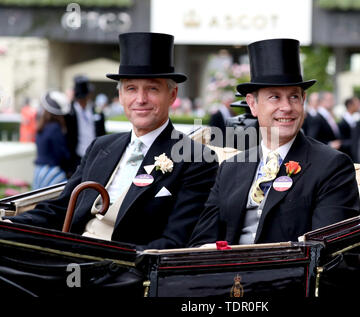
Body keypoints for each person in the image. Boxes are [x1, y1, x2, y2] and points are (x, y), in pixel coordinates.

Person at [4, 32, 218, 251]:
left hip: (124, 272)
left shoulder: (197, 159)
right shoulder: (101, 147)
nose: (141, 99)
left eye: (152, 89)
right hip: (70, 258)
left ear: (172, 95)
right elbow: (62, 207)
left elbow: (174, 241)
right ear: (121, 96)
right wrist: (10, 225)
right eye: (131, 89)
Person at [189, 38, 360, 246]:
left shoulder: (332, 166)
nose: (287, 107)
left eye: (294, 97)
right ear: (253, 104)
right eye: (275, 97)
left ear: (303, 100)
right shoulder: (230, 168)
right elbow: (201, 242)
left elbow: (327, 252)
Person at [65, 75, 106, 177]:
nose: (83, 101)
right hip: (76, 157)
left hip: (95, 155)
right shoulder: (69, 112)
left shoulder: (96, 110)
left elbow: (102, 132)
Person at [32, 91, 71, 189]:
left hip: (39, 171)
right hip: (52, 171)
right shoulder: (55, 128)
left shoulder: (42, 126)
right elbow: (60, 153)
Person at [338, 96, 360, 161]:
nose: (358, 106)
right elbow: (341, 141)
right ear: (350, 105)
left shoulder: (353, 119)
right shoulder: (342, 123)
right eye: (357, 104)